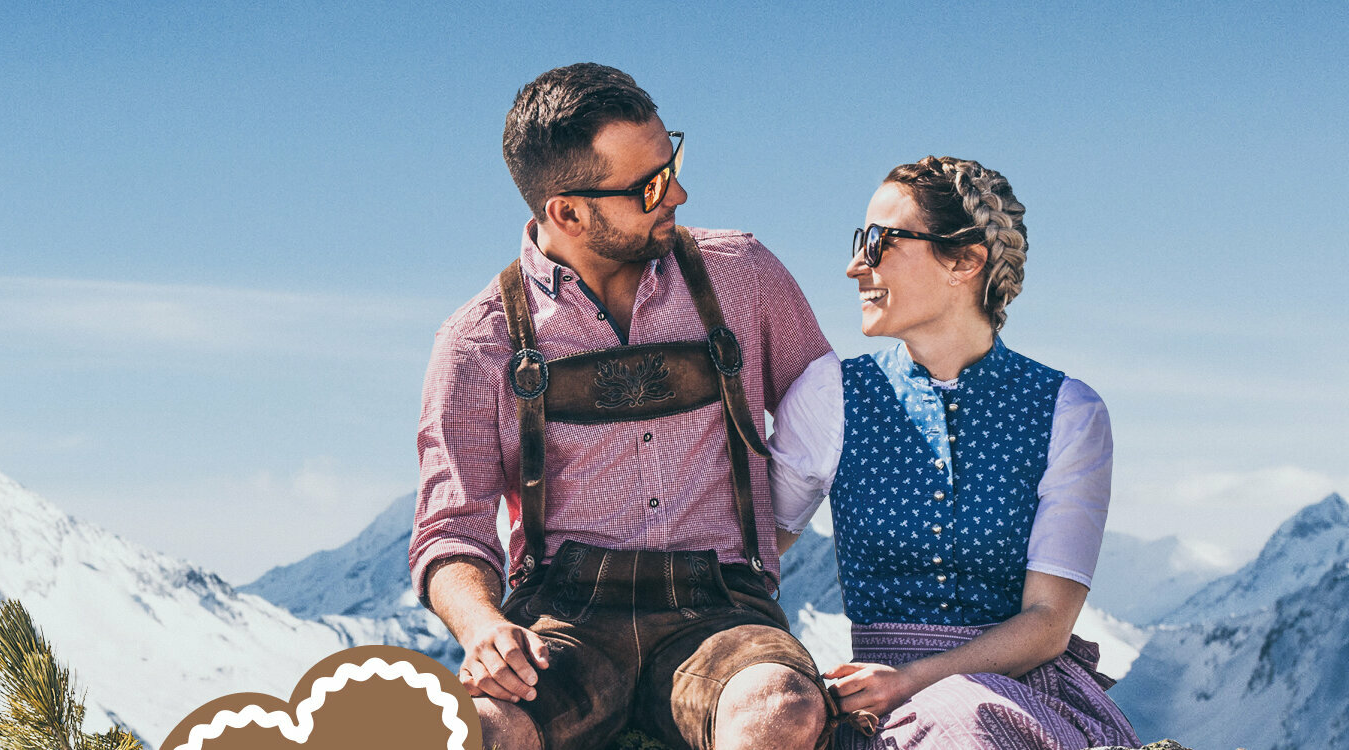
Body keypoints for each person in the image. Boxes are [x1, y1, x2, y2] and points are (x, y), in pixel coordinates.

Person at [410, 63, 837, 750]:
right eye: (650, 187)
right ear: (567, 212)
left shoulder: (746, 277)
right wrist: (484, 627)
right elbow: (450, 529)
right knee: (479, 732)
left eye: (672, 164)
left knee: (778, 709)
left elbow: (835, 422)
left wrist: (777, 539)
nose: (680, 193)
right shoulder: (477, 343)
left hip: (723, 612)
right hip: (564, 623)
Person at [769, 156, 1140, 749]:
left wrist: (912, 679)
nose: (854, 266)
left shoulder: (1068, 412)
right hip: (873, 703)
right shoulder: (829, 395)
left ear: (965, 261)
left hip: (1019, 690)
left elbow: (1048, 623)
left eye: (881, 241)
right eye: (860, 240)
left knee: (965, 719)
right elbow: (752, 554)